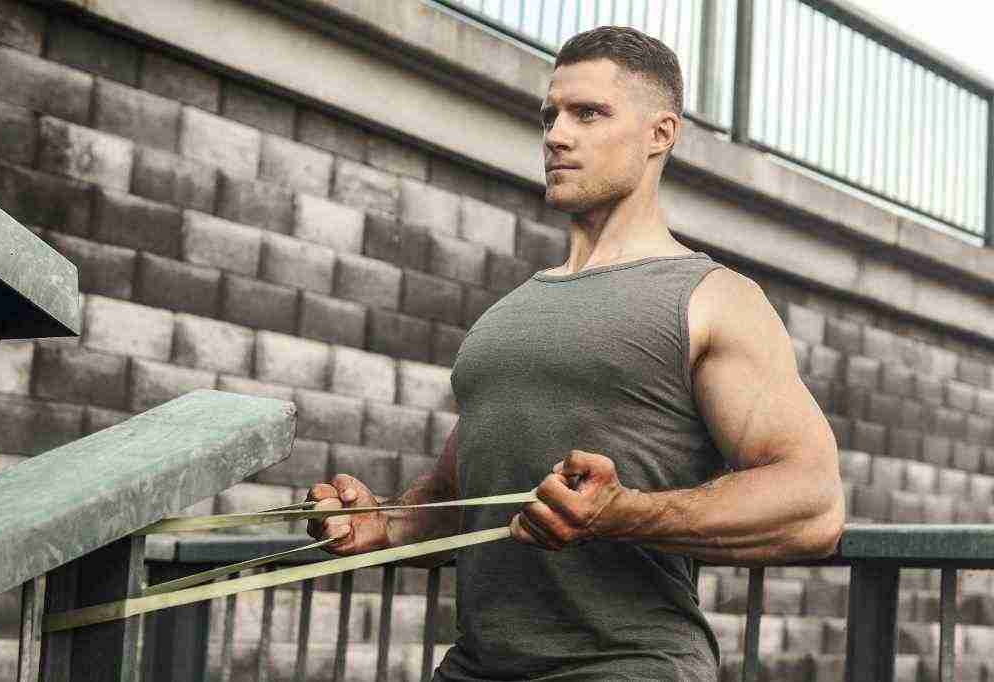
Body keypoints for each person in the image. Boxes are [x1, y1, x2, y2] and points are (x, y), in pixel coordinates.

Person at [305, 25, 845, 681]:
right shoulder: (510, 314)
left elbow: (813, 500)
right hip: (476, 666)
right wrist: (385, 527)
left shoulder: (713, 298)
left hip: (624, 666)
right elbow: (455, 493)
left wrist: (627, 516)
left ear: (660, 133)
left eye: (588, 113)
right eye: (551, 115)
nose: (556, 135)